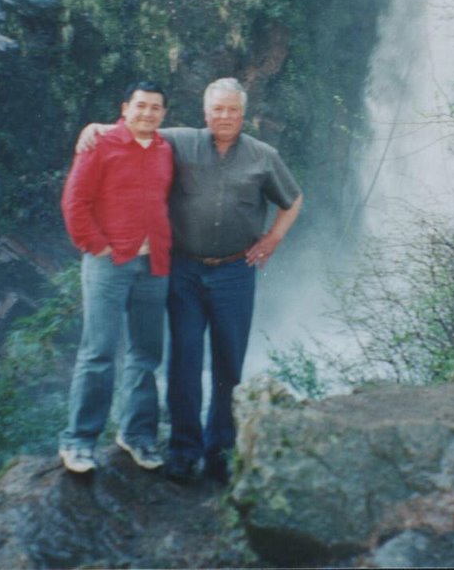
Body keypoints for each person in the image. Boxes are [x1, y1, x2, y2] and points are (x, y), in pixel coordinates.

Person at [77, 77, 303, 484]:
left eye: (232, 110)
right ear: (205, 112)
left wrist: (273, 238)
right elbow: (136, 127)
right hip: (183, 269)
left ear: (243, 113)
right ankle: (184, 447)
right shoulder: (179, 141)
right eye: (217, 109)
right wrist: (95, 128)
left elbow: (293, 199)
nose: (225, 117)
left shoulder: (263, 155)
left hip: (235, 272)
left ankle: (220, 448)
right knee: (184, 360)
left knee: (228, 362)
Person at [58, 81, 173, 474]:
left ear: (164, 114)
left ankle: (137, 434)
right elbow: (74, 201)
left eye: (155, 108)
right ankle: (79, 442)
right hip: (109, 263)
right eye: (140, 106)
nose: (147, 113)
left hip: (153, 264)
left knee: (146, 353)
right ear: (125, 108)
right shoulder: (99, 145)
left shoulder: (164, 150)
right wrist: (96, 245)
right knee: (98, 352)